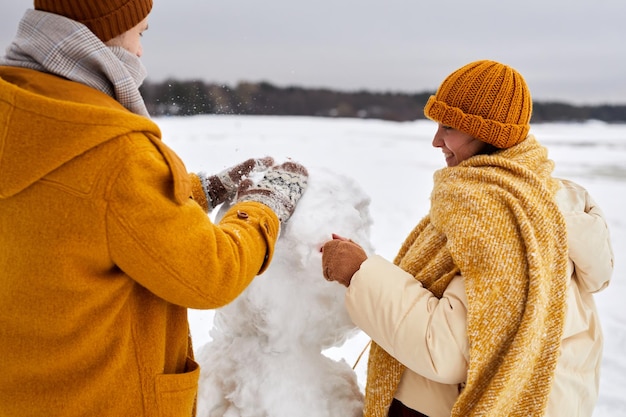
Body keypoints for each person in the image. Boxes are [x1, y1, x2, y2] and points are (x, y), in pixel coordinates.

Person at [0, 1, 308, 416]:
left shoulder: (20, 117)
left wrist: (199, 190)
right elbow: (209, 273)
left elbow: (74, 209)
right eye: (140, 33)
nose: (141, 52)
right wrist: (263, 207)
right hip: (104, 400)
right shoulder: (112, 151)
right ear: (105, 32)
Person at [321, 60, 614, 417]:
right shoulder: (549, 198)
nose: (435, 140)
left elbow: (445, 350)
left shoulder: (497, 218)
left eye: (449, 126)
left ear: (487, 133)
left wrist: (359, 273)